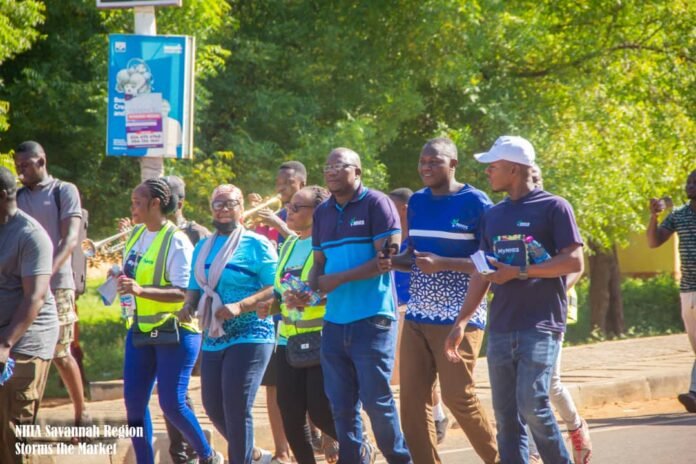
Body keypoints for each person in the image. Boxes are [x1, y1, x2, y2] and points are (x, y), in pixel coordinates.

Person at [445, 136, 583, 464]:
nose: (488, 171)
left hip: (541, 323)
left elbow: (573, 261)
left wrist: (520, 272)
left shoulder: (555, 207)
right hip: (502, 325)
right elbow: (481, 271)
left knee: (532, 403)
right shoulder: (494, 215)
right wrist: (461, 321)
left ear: (514, 169)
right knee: (506, 415)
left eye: (493, 166)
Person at [386, 138, 499, 464]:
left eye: (434, 162)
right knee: (411, 402)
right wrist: (390, 260)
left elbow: (490, 263)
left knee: (457, 396)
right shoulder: (418, 202)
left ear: (453, 164)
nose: (426, 167)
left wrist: (444, 263)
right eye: (423, 162)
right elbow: (415, 257)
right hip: (418, 315)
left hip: (461, 314)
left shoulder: (477, 202)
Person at [310, 147, 411, 463]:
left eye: (338, 165)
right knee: (341, 406)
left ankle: (399, 459)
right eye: (327, 167)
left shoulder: (376, 203)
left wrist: (337, 279)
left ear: (357, 170)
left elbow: (385, 260)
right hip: (334, 322)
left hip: (373, 320)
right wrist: (309, 290)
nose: (331, 171)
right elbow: (319, 265)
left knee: (376, 401)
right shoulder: (322, 213)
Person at [117, 178, 220, 464]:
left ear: (155, 204)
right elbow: (133, 274)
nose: (132, 207)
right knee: (134, 406)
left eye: (137, 202)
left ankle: (208, 456)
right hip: (141, 329)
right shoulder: (136, 235)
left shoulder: (176, 240)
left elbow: (184, 292)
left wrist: (140, 290)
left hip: (176, 332)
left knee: (172, 403)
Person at [179, 184, 278, 464]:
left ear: (241, 209)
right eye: (218, 204)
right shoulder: (203, 246)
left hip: (251, 333)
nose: (223, 209)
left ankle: (242, 458)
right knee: (212, 406)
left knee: (237, 405)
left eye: (230, 203)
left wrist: (241, 305)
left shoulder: (256, 244)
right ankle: (252, 453)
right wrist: (188, 306)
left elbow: (275, 286)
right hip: (214, 334)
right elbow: (195, 285)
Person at [14, 141, 88, 428]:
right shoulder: (17, 196)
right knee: (25, 353)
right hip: (24, 287)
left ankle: (81, 415)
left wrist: (45, 275)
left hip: (57, 284)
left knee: (60, 352)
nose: (21, 172)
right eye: (17, 167)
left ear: (41, 162)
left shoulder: (63, 191)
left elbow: (70, 240)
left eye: (25, 166)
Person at [526, 166, 592, 464]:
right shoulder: (511, 215)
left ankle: (576, 427)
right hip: (520, 309)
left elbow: (576, 266)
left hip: (553, 308)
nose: (533, 182)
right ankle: (531, 451)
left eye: (537, 177)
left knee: (549, 383)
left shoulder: (556, 211)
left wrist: (554, 291)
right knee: (522, 385)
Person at [270, 185, 339, 463]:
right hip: (288, 339)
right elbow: (280, 291)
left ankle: (357, 443)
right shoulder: (289, 244)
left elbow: (336, 287)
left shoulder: (328, 245)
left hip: (321, 337)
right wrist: (270, 304)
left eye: (297, 207)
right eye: (290, 205)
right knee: (290, 413)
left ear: (318, 212)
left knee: (320, 411)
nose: (289, 211)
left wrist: (310, 297)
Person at [248, 161, 307, 463]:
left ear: (301, 184)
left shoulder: (310, 215)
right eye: (278, 183)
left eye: (287, 183)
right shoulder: (272, 218)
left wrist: (279, 223)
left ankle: (327, 439)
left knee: (311, 381)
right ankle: (282, 450)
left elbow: (304, 247)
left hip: (306, 311)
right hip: (277, 311)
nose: (280, 188)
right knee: (275, 383)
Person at [0, 166, 59, 464]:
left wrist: (5, 344)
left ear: (2, 196)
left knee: (14, 432)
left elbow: (34, 297)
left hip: (24, 340)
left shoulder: (31, 236)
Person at [388, 187, 449, 445]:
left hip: (415, 310)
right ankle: (419, 423)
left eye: (391, 207)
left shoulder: (416, 237)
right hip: (394, 309)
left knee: (420, 373)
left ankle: (436, 415)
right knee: (401, 375)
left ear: (403, 209)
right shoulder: (389, 238)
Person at [161, 175, 211, 464]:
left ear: (179, 203)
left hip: (187, 321)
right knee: (168, 391)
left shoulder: (196, 233)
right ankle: (182, 452)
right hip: (157, 322)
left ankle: (190, 451)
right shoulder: (149, 233)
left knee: (176, 392)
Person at [647, 169, 696, 414]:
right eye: (688, 182)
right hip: (688, 290)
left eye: (694, 182)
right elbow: (654, 241)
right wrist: (654, 217)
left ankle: (694, 392)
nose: (689, 186)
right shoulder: (679, 215)